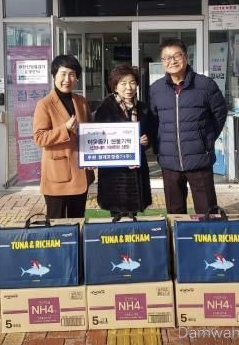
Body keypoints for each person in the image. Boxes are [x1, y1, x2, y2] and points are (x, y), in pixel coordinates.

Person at [149, 38, 227, 214]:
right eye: (166, 58)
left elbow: (220, 114)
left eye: (176, 56)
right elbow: (153, 122)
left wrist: (205, 140)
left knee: (207, 210)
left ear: (185, 57)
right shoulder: (156, 89)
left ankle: (207, 234)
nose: (172, 61)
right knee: (175, 211)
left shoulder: (205, 85)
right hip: (169, 161)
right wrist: (160, 146)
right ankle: (178, 234)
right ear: (162, 61)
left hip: (199, 158)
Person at [33, 54, 94, 219]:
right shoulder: (44, 104)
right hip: (57, 176)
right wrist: (64, 129)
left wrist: (92, 156)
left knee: (78, 219)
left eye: (72, 75)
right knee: (56, 223)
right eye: (63, 74)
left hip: (80, 173)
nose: (67, 79)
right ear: (54, 75)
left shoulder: (81, 101)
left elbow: (89, 132)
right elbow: (39, 137)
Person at [94, 64, 152, 216]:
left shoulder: (143, 108)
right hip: (115, 175)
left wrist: (146, 140)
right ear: (115, 86)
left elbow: (150, 132)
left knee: (134, 217)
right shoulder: (105, 108)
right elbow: (100, 140)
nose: (128, 88)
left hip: (137, 170)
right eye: (123, 83)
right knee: (117, 217)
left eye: (132, 82)